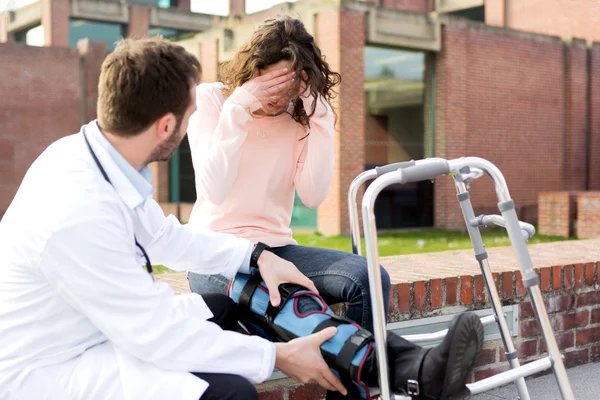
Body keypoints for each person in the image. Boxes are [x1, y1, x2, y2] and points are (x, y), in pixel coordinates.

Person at [0, 37, 347, 400]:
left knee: (222, 308)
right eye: (191, 112)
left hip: (91, 328)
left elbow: (166, 237)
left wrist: (258, 257)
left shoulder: (88, 155)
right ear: (166, 126)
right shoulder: (79, 211)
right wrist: (277, 356)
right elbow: (152, 332)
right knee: (231, 393)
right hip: (51, 365)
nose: (194, 121)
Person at [186, 15, 391, 334]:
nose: (282, 100)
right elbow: (215, 190)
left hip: (277, 247)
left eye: (292, 89)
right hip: (217, 253)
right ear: (255, 70)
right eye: (274, 84)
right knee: (290, 301)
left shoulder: (297, 119)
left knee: (370, 279)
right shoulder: (212, 100)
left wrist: (321, 119)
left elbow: (313, 196)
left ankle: (357, 383)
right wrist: (238, 109)